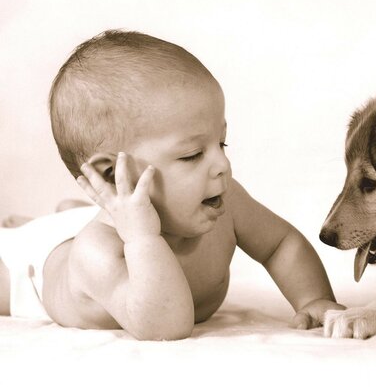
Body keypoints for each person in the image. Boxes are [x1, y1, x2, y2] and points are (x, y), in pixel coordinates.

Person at [0, 30, 343, 340]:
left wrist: (314, 298)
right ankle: (26, 230)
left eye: (221, 144)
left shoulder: (225, 204)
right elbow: (165, 326)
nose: (222, 164)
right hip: (30, 270)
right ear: (112, 176)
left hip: (101, 219)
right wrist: (142, 238)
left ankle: (63, 215)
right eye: (193, 154)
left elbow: (280, 244)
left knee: (76, 221)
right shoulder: (99, 252)